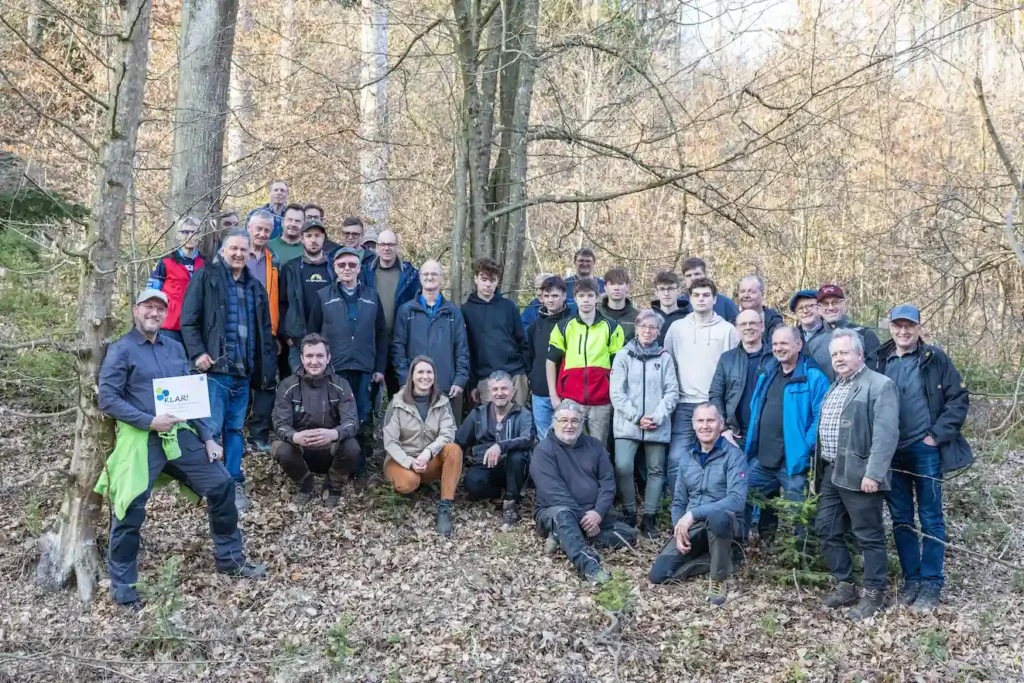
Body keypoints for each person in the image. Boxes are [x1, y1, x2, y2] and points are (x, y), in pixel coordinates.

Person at [97, 289, 266, 609]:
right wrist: (148, 421)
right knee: (129, 504)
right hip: (142, 438)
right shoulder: (122, 350)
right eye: (148, 307)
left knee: (221, 484)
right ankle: (123, 587)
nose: (154, 313)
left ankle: (230, 559)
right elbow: (108, 399)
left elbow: (192, 398)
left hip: (180, 435)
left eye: (160, 309)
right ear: (136, 311)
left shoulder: (174, 348)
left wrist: (208, 437)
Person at [871, 304, 971, 613]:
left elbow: (958, 400)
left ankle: (931, 583)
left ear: (918, 328)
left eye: (909, 325)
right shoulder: (879, 358)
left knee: (930, 517)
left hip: (924, 449)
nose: (903, 331)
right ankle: (912, 579)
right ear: (891, 327)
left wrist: (935, 436)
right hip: (891, 450)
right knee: (901, 518)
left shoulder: (934, 358)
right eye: (898, 325)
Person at [180, 230, 276, 512]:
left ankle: (233, 480)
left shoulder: (255, 287)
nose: (238, 254)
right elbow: (189, 320)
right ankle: (211, 484)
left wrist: (263, 369)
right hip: (215, 371)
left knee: (234, 429)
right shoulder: (206, 277)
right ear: (222, 251)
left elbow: (263, 333)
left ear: (249, 254)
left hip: (242, 372)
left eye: (243, 250)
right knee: (210, 431)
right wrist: (198, 353)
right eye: (233, 248)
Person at [813, 328, 899, 621]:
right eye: (834, 354)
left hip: (861, 473)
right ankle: (845, 585)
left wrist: (874, 474)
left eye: (844, 352)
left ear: (860, 354)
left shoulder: (879, 385)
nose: (839, 358)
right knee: (826, 527)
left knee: (869, 535)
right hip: (831, 471)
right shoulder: (835, 386)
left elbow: (886, 436)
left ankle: (875, 594)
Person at [649, 403, 747, 605]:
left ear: (720, 424)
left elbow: (737, 500)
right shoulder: (686, 458)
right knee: (658, 575)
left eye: (710, 420)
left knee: (718, 517)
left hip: (724, 525)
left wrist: (692, 514)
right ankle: (719, 560)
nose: (705, 426)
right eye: (700, 421)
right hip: (694, 527)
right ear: (693, 425)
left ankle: (717, 578)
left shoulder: (735, 457)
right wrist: (679, 529)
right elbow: (678, 501)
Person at [531, 399, 637, 583]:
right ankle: (591, 569)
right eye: (564, 420)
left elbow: (607, 481)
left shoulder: (595, 446)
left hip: (592, 513)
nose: (569, 425)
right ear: (554, 422)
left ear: (582, 423)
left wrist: (598, 512)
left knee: (629, 536)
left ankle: (564, 537)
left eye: (574, 420)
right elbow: (554, 493)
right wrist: (583, 518)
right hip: (555, 511)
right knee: (563, 515)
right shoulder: (544, 450)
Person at [743, 326, 829, 540]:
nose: (778, 348)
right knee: (740, 493)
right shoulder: (769, 371)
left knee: (801, 514)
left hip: (794, 462)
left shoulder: (813, 377)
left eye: (784, 343)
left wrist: (806, 446)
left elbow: (821, 416)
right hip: (763, 459)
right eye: (775, 344)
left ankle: (802, 558)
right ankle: (746, 545)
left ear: (798, 345)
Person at [310, 247, 387, 472]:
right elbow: (313, 333)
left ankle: (358, 467)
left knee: (362, 414)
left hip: (364, 367)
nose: (347, 269)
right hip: (334, 369)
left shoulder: (372, 296)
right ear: (334, 268)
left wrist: (379, 368)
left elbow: (381, 334)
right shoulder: (323, 296)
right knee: (333, 415)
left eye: (352, 265)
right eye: (342, 265)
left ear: (359, 268)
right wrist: (317, 365)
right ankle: (333, 465)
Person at [609, 310, 679, 536]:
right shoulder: (623, 355)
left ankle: (649, 517)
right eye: (644, 326)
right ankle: (629, 511)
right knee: (622, 466)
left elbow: (672, 392)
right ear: (637, 328)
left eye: (653, 327)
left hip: (657, 425)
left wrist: (656, 417)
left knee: (656, 470)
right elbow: (616, 393)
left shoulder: (665, 357)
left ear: (659, 331)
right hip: (628, 424)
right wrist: (636, 417)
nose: (648, 331)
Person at [664, 277, 738, 487]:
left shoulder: (727, 330)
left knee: (717, 458)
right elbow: (668, 364)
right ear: (689, 299)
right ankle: (676, 509)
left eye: (706, 295)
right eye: (696, 295)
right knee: (676, 458)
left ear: (715, 299)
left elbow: (735, 369)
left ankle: (710, 507)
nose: (701, 299)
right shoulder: (677, 328)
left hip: (715, 403)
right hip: (685, 403)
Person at [271, 333, 361, 507]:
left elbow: (352, 422)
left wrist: (333, 433)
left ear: (328, 358)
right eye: (309, 356)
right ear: (302, 358)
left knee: (352, 446)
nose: (314, 361)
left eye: (319, 356)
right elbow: (279, 423)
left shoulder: (341, 385)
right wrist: (294, 437)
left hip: (330, 450)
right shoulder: (288, 385)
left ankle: (332, 488)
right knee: (279, 448)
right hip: (300, 451)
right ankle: (305, 486)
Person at [382, 355, 463, 537]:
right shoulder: (398, 402)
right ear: (411, 376)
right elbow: (390, 442)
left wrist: (428, 452)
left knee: (454, 450)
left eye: (429, 372)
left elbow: (448, 432)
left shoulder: (442, 401)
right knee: (410, 482)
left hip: (428, 460)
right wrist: (409, 461)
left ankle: (444, 507)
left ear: (434, 376)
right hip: (400, 460)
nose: (424, 376)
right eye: (420, 372)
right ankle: (410, 486)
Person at [546, 277, 625, 444]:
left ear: (597, 297)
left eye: (590, 295)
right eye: (581, 296)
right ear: (575, 298)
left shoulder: (612, 327)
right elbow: (550, 362)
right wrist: (554, 396)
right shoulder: (563, 326)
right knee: (569, 444)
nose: (586, 300)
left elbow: (619, 366)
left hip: (601, 400)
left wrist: (615, 396)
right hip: (571, 398)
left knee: (598, 446)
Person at [392, 260, 470, 421]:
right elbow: (398, 349)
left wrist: (460, 380)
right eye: (426, 273)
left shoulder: (453, 313)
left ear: (442, 278)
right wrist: (404, 379)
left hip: (446, 388)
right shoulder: (406, 311)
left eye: (434, 273)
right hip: (415, 388)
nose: (430, 277)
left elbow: (462, 349)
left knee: (447, 440)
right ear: (420, 277)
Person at [455, 371, 535, 528]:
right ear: (489, 393)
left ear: (512, 391)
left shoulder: (523, 414)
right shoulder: (478, 414)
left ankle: (511, 502)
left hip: (512, 468)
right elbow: (459, 441)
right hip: (485, 464)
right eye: (495, 389)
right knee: (472, 484)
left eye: (504, 389)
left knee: (517, 456)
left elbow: (528, 439)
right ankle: (498, 494)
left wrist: (500, 445)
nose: (500, 393)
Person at [360, 229, 420, 400]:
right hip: (371, 341)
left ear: (397, 247)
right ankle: (368, 425)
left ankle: (400, 424)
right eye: (383, 244)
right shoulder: (366, 273)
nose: (387, 248)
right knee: (368, 391)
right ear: (377, 247)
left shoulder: (410, 275)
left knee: (400, 390)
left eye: (391, 244)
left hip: (399, 341)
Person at [462, 258, 529, 406]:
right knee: (491, 425)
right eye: (484, 279)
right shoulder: (466, 310)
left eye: (492, 280)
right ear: (476, 279)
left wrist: (526, 374)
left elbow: (522, 341)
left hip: (515, 375)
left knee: (518, 420)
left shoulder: (509, 306)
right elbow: (467, 350)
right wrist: (472, 384)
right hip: (485, 378)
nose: (487, 284)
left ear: (497, 281)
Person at [244, 210, 281, 452]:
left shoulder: (273, 259)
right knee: (238, 383)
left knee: (267, 383)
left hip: (267, 331)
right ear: (248, 227)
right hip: (238, 329)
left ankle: (258, 435)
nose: (262, 233)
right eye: (258, 228)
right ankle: (235, 432)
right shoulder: (233, 253)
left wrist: (277, 333)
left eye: (267, 230)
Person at [709, 308, 771, 451]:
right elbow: (715, 395)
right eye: (743, 324)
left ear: (762, 326)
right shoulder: (727, 359)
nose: (748, 327)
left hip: (767, 436)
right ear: (737, 328)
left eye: (752, 323)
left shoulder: (775, 358)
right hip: (736, 435)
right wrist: (724, 429)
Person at [278, 218, 334, 372]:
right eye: (309, 236)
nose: (313, 240)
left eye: (317, 235)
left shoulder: (335, 267)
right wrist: (287, 336)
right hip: (298, 341)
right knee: (299, 388)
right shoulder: (290, 268)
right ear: (302, 238)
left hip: (329, 342)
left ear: (324, 238)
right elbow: (281, 303)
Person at [146, 216, 205, 347]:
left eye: (194, 232)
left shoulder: (205, 264)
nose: (190, 236)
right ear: (178, 235)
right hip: (169, 327)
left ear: (200, 236)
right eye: (185, 232)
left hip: (196, 328)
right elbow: (151, 294)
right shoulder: (166, 261)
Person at [527, 275, 574, 439]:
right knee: (544, 438)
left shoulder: (572, 323)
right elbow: (531, 355)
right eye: (546, 296)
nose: (550, 300)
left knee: (568, 437)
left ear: (564, 296)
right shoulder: (535, 326)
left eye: (555, 296)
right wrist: (532, 378)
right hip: (540, 392)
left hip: (567, 392)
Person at [818, 284, 881, 361]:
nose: (830, 308)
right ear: (819, 308)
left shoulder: (865, 334)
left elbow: (876, 369)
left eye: (835, 302)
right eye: (825, 304)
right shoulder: (813, 342)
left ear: (844, 304)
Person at [681, 257, 738, 324]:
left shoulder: (725, 303)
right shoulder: (679, 304)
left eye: (697, 274)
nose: (693, 278)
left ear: (705, 275)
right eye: (688, 275)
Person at [790, 289, 832, 378]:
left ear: (820, 308)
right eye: (800, 308)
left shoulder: (832, 334)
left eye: (810, 306)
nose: (805, 311)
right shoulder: (791, 337)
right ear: (796, 314)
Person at [737, 275, 783, 346]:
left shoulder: (774, 321)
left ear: (763, 295)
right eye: (742, 291)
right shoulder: (731, 319)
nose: (746, 295)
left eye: (752, 292)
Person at [650, 270, 692, 345]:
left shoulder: (689, 319)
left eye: (670, 289)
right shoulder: (647, 319)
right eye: (662, 289)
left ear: (678, 291)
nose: (666, 293)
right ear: (656, 292)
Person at [598, 267, 640, 341]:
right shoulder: (596, 313)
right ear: (605, 287)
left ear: (627, 287)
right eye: (612, 284)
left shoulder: (638, 317)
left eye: (620, 284)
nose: (616, 288)